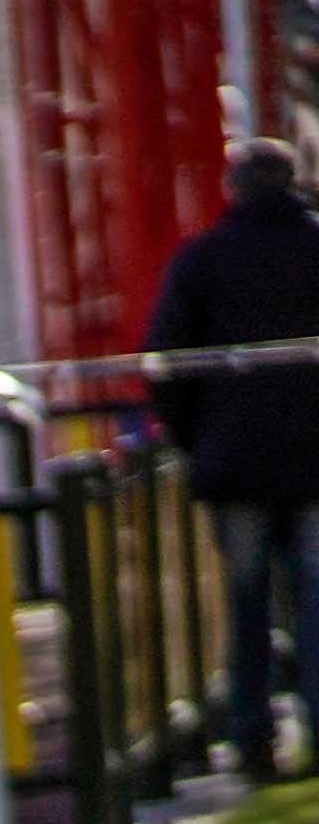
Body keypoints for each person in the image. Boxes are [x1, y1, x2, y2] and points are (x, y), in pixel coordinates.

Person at [146, 140, 319, 783]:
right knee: (315, 591)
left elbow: (165, 360)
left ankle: (253, 735)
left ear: (232, 187)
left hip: (234, 459)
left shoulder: (201, 260)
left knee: (246, 602)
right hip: (314, 457)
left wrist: (196, 437)